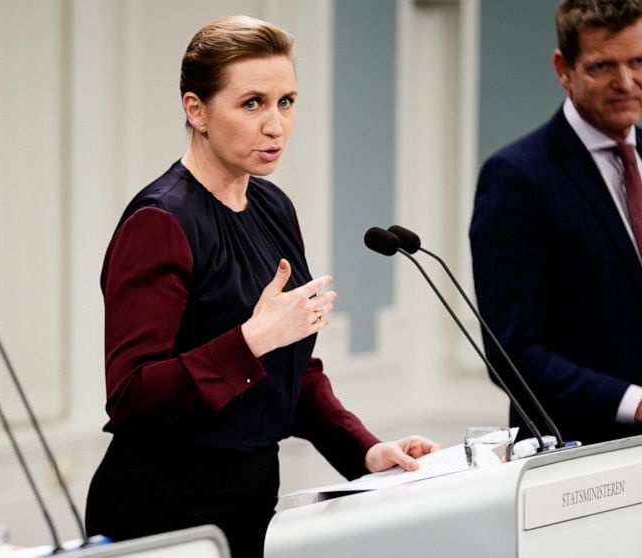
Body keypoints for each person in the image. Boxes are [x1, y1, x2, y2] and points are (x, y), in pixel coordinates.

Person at [84, 16, 438, 557]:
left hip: (248, 501)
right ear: (196, 110)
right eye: (252, 103)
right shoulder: (161, 221)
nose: (276, 126)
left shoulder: (273, 207)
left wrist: (365, 452)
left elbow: (292, 371)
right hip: (161, 508)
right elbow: (131, 396)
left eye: (286, 102)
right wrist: (251, 341)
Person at [470, 0, 642, 446]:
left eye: (638, 61)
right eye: (603, 66)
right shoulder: (516, 176)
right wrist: (634, 402)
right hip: (579, 455)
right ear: (564, 69)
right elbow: (510, 354)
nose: (626, 82)